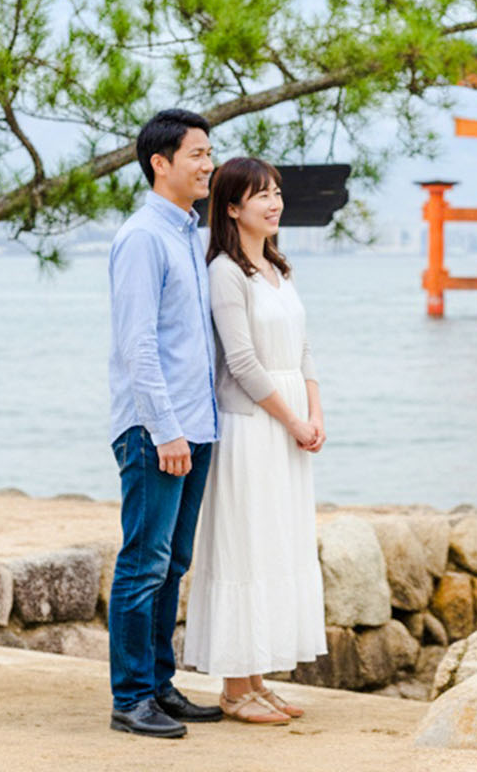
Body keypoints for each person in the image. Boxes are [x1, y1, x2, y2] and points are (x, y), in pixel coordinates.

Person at [182, 157, 328, 724]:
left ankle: (257, 680)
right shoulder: (225, 270)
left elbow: (305, 347)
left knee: (275, 546)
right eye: (260, 195)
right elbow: (240, 361)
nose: (274, 202)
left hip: (289, 421)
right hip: (252, 426)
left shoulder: (278, 267)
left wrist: (315, 411)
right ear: (232, 207)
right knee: (244, 545)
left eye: (276, 192)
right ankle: (234, 688)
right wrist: (291, 419)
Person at [106, 109, 225, 738]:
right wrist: (165, 430)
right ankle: (130, 699)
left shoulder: (186, 234)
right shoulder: (143, 237)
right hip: (159, 430)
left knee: (173, 563)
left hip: (195, 427)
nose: (208, 165)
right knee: (143, 561)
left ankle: (158, 683)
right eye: (197, 154)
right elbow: (138, 346)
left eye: (209, 153)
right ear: (161, 163)